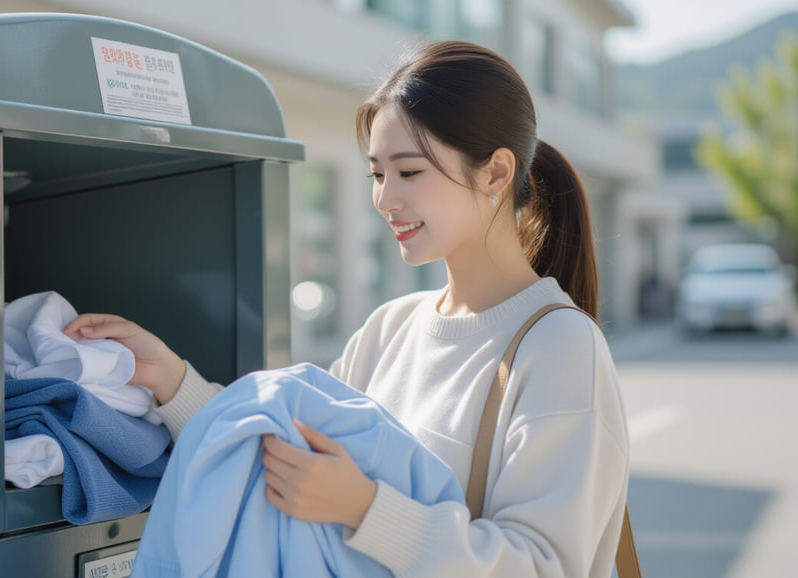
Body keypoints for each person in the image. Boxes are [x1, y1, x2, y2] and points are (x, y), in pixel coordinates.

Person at [64, 40, 629, 578]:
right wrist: (169, 379)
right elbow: (284, 451)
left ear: (497, 173)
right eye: (377, 174)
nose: (385, 199)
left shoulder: (560, 347)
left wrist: (364, 509)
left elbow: (544, 566)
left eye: (409, 172)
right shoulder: (391, 327)